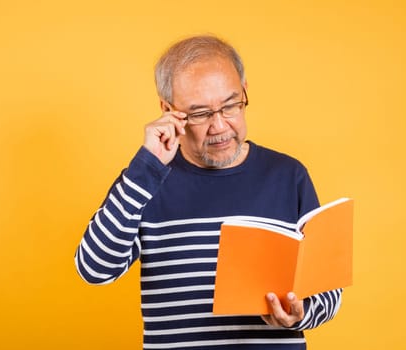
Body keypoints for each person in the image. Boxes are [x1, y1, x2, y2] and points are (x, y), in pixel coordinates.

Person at [75, 34, 342, 349]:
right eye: (200, 113)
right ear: (168, 110)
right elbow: (94, 268)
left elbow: (328, 291)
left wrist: (299, 314)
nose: (219, 126)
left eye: (230, 105)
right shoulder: (144, 180)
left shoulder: (288, 175)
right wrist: (146, 168)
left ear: (244, 92)